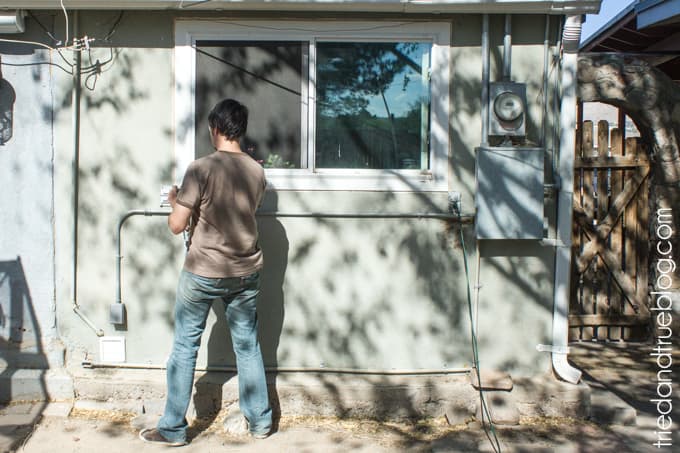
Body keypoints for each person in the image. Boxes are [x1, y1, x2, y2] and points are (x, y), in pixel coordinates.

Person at [139, 98, 272, 446]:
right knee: (248, 346)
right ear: (240, 130)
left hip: (203, 271)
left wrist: (175, 201)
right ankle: (260, 423)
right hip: (245, 272)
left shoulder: (200, 168)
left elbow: (176, 225)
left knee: (185, 346)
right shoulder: (257, 172)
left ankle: (172, 429)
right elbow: (239, 211)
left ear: (215, 128)